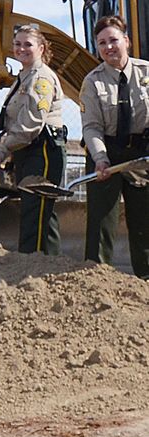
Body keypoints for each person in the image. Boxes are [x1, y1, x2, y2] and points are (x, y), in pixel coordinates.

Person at [81, 15, 149, 277]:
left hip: (140, 155)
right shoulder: (92, 82)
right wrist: (100, 158)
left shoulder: (146, 73)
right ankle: (95, 279)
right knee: (101, 224)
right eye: (101, 43)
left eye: (113, 40)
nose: (108, 47)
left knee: (143, 222)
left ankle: (145, 279)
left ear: (127, 42)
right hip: (106, 155)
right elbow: (92, 127)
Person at [0, 25, 67, 254]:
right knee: (37, 211)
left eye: (27, 44)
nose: (21, 48)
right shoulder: (24, 77)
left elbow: (31, 125)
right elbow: (19, 114)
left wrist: (3, 149)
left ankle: (33, 266)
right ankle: (42, 266)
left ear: (41, 49)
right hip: (27, 150)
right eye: (17, 44)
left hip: (41, 149)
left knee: (37, 211)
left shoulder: (41, 78)